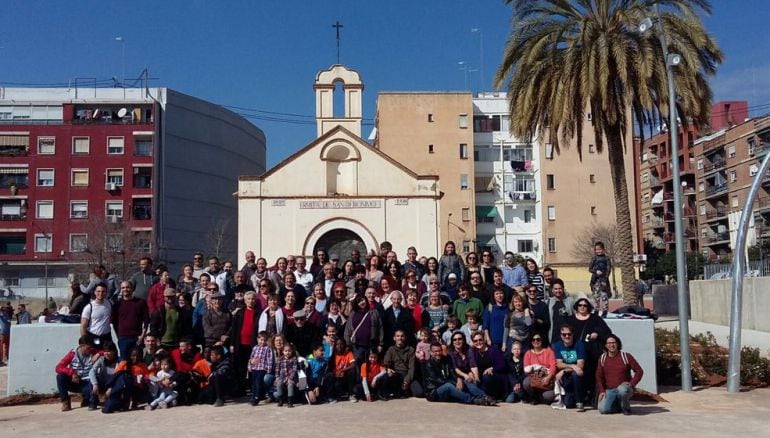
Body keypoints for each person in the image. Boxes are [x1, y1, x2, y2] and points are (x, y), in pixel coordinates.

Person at [568, 297, 612, 404]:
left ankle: (592, 398)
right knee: (578, 375)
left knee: (592, 376)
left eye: (585, 305)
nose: (582, 307)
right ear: (576, 307)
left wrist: (597, 333)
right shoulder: (570, 319)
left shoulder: (595, 318)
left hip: (592, 354)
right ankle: (579, 397)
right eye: (580, 305)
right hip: (576, 353)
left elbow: (607, 331)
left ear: (588, 307)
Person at [424, 342, 494, 406]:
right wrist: (454, 383)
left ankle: (484, 397)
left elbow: (452, 372)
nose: (438, 353)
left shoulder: (446, 360)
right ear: (431, 352)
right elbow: (437, 380)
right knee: (448, 386)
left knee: (465, 381)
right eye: (435, 351)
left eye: (439, 351)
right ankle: (473, 400)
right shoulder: (428, 364)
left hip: (449, 384)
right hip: (434, 392)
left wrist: (458, 378)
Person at [596, 334, 644, 415]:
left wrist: (632, 384)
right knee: (603, 410)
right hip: (610, 390)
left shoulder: (626, 356)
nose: (611, 345)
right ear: (606, 345)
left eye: (614, 342)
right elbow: (599, 376)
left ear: (618, 343)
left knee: (622, 390)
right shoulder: (602, 358)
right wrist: (602, 391)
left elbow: (639, 371)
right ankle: (619, 405)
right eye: (609, 343)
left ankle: (626, 409)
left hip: (624, 388)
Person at [55, 335, 97, 411]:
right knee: (60, 377)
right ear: (81, 346)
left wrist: (99, 354)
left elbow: (105, 352)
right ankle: (65, 402)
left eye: (91, 348)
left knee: (92, 390)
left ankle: (87, 398)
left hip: (87, 382)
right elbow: (58, 367)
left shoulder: (93, 352)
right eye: (88, 348)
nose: (90, 350)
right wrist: (72, 372)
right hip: (74, 381)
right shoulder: (72, 354)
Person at [550, 324, 586, 411]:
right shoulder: (557, 345)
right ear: (560, 335)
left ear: (573, 334)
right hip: (565, 378)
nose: (567, 336)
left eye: (569, 334)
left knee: (576, 374)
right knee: (568, 404)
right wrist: (573, 365)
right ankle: (571, 396)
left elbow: (580, 366)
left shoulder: (579, 344)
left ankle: (579, 402)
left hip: (576, 377)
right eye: (564, 334)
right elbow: (559, 364)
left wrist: (564, 370)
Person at [230, 290, 260, 392]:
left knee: (253, 366)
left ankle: (253, 387)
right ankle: (241, 388)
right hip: (240, 343)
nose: (251, 301)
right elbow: (234, 330)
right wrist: (232, 344)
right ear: (245, 300)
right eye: (249, 299)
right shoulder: (239, 312)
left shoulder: (259, 313)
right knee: (241, 367)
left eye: (253, 299)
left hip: (253, 344)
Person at [111, 281, 149, 360]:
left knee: (138, 362)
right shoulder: (117, 305)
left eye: (127, 287)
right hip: (123, 338)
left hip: (137, 337)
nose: (125, 289)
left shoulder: (140, 303)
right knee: (124, 362)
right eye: (123, 288)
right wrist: (118, 335)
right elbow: (114, 322)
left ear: (132, 289)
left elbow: (146, 320)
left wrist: (142, 336)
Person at [448, 332, 490, 401]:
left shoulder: (468, 349)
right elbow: (455, 368)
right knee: (468, 383)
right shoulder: (450, 352)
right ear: (452, 342)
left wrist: (476, 377)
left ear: (463, 340)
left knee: (475, 381)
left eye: (459, 339)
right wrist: (464, 375)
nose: (457, 341)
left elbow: (472, 364)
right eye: (454, 340)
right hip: (456, 376)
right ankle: (485, 397)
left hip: (468, 374)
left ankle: (482, 398)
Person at [344, 295, 384, 367]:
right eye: (359, 301)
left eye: (363, 300)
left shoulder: (374, 312)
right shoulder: (353, 313)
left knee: (371, 366)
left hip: (371, 345)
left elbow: (380, 328)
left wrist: (380, 344)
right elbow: (348, 329)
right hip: (357, 346)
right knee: (357, 366)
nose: (362, 302)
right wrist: (347, 343)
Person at [381, 330, 421, 399]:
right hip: (396, 375)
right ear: (394, 338)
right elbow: (386, 363)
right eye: (398, 336)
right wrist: (388, 369)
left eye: (402, 336)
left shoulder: (410, 350)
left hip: (407, 375)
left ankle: (405, 390)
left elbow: (412, 368)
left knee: (419, 392)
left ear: (405, 338)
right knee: (386, 376)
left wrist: (406, 381)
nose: (400, 338)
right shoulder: (391, 349)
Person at [470, 331, 506, 401]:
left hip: (494, 377)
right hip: (481, 380)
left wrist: (492, 368)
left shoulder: (493, 350)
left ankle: (494, 396)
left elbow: (502, 364)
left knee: (487, 376)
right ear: (473, 342)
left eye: (480, 340)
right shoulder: (473, 352)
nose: (478, 342)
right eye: (475, 341)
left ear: (484, 339)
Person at [523, 334, 557, 404]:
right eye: (533, 340)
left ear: (542, 340)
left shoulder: (549, 351)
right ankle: (535, 397)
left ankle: (540, 398)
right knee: (526, 383)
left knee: (548, 396)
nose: (536, 341)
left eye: (538, 339)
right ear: (531, 341)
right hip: (534, 379)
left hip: (547, 379)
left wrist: (548, 377)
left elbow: (553, 366)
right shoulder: (528, 353)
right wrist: (534, 374)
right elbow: (526, 369)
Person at [247, 331, 275, 406]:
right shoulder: (255, 348)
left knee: (258, 383)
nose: (262, 342)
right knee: (253, 383)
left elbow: (270, 359)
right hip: (255, 368)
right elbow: (251, 358)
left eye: (264, 340)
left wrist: (268, 370)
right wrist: (250, 366)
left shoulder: (267, 348)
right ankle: (253, 396)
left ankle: (257, 398)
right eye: (261, 340)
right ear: (257, 339)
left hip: (262, 369)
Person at [547, 279, 575, 343]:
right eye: (555, 289)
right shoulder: (549, 302)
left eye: (560, 288)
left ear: (563, 289)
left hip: (567, 336)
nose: (558, 291)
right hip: (554, 335)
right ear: (552, 290)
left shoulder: (570, 301)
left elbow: (575, 315)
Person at [275, 342, 299, 407]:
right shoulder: (280, 359)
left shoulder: (294, 359)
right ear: (283, 351)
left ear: (292, 351)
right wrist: (277, 377)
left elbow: (294, 370)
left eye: (289, 351)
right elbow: (277, 370)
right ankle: (281, 399)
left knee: (290, 385)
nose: (287, 352)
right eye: (286, 351)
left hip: (291, 377)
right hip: (282, 377)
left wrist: (290, 378)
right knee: (279, 384)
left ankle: (290, 401)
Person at [589, 241, 612, 309]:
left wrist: (605, 278)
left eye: (600, 249)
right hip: (595, 280)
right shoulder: (594, 258)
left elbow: (608, 269)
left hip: (603, 280)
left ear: (603, 249)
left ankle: (605, 311)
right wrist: (596, 271)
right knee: (596, 297)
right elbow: (590, 269)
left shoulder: (607, 258)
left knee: (604, 296)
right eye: (597, 250)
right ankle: (596, 310)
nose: (598, 251)